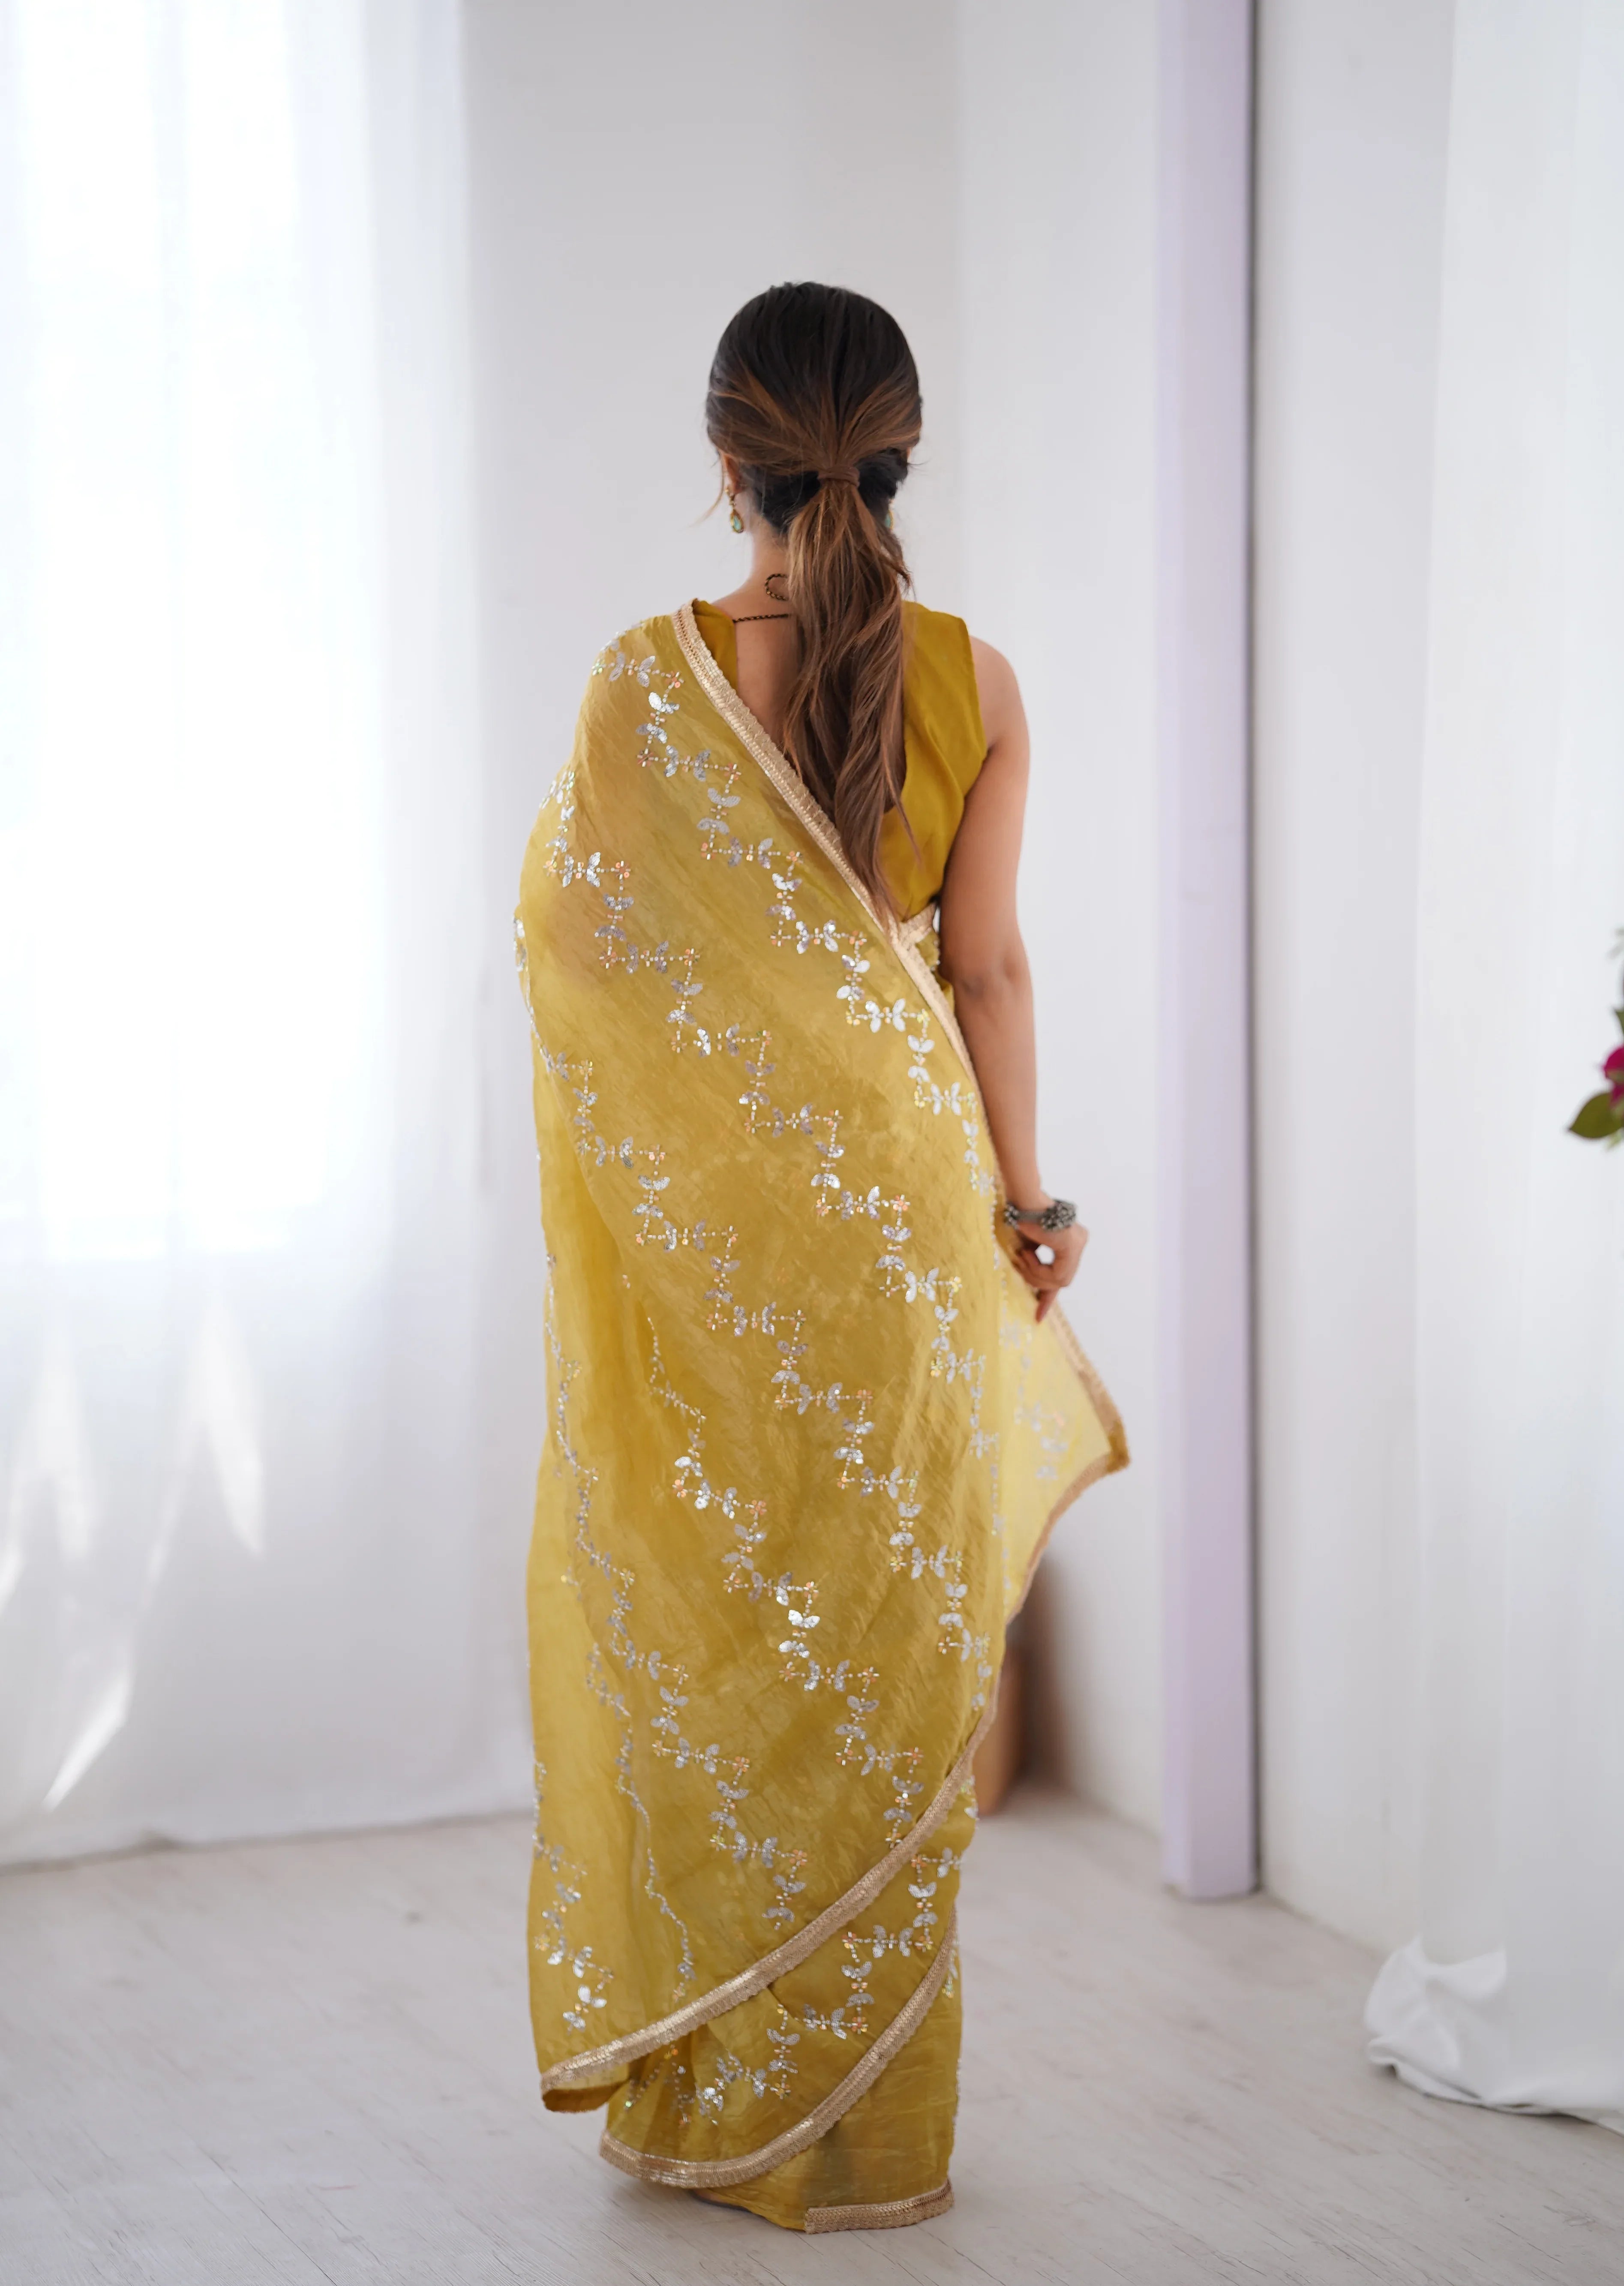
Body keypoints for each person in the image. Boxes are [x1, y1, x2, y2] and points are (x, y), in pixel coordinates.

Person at [515, 281, 1125, 2235]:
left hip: (729, 1242)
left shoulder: (645, 688)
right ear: (904, 455)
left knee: (722, 1631)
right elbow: (985, 970)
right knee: (884, 1649)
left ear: (729, 464)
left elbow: (583, 962)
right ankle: (868, 2143)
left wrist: (709, 1128)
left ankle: (725, 2097)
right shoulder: (978, 679)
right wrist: (1028, 1206)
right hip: (917, 1220)